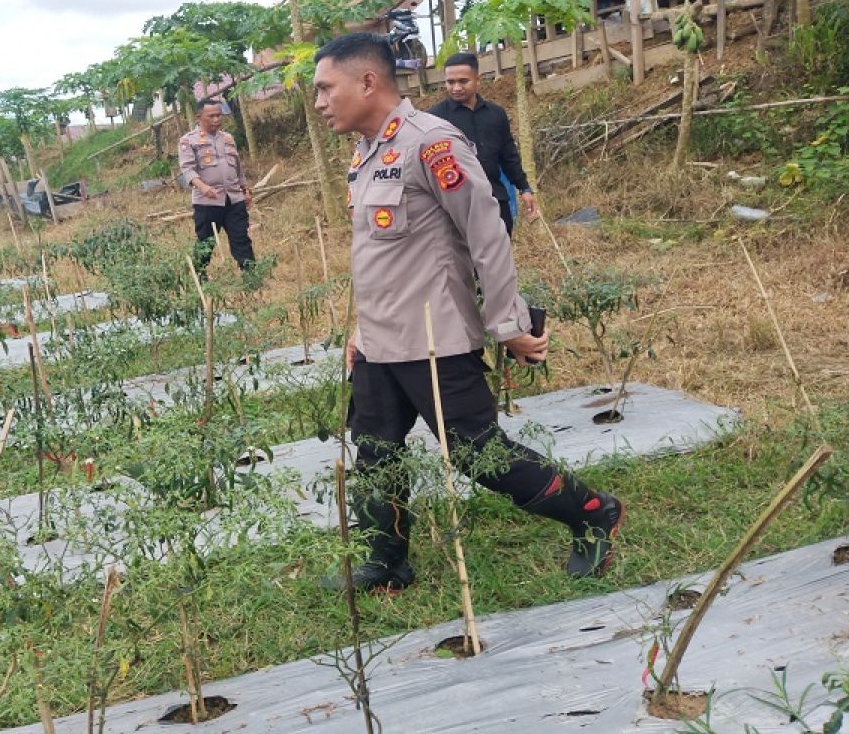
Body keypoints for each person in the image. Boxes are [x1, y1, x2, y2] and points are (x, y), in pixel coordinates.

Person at [312, 33, 624, 593]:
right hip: (381, 341)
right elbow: (380, 256)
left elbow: (488, 238)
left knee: (480, 457)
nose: (319, 103)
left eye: (325, 88)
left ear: (367, 82)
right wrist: (360, 329)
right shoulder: (366, 152)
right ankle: (386, 563)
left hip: (434, 337)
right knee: (375, 452)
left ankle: (593, 512)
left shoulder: (432, 144)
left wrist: (509, 326)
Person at [428, 52, 538, 237]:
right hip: (455, 205)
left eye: (463, 81)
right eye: (450, 82)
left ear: (477, 79)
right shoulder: (434, 118)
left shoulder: (495, 114)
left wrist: (524, 188)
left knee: (500, 253)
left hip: (495, 198)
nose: (456, 88)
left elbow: (508, 154)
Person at [178, 99, 255, 275]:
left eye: (218, 115)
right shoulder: (188, 141)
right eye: (211, 116)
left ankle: (252, 277)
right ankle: (199, 278)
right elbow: (187, 169)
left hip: (233, 199)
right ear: (199, 117)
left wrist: (245, 190)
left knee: (241, 238)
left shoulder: (228, 138)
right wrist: (203, 187)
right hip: (207, 202)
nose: (216, 119)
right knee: (206, 242)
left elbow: (237, 167)